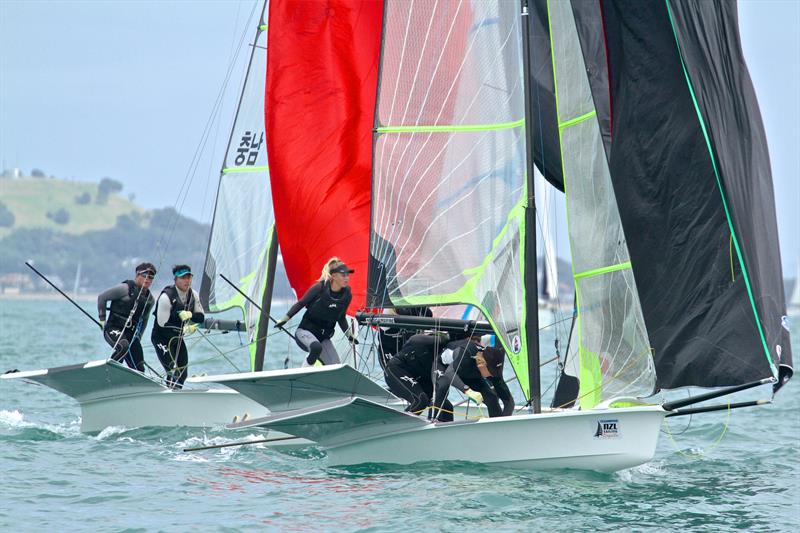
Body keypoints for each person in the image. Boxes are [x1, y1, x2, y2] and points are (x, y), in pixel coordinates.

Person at [274, 257, 358, 367]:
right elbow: (301, 303)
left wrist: (349, 335)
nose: (347, 278)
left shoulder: (346, 295)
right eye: (343, 275)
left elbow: (341, 317)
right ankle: (303, 374)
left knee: (336, 367)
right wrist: (284, 319)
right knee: (316, 347)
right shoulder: (319, 288)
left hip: (323, 338)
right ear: (333, 276)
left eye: (348, 274)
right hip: (304, 332)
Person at [434, 333, 513, 419]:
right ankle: (433, 419)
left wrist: (502, 421)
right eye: (491, 372)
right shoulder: (466, 354)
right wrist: (467, 390)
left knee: (491, 398)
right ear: (481, 364)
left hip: (469, 372)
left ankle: (496, 427)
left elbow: (509, 402)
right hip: (444, 366)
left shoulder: (493, 370)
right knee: (442, 388)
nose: (491, 376)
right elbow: (449, 374)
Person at [151, 264, 205, 389]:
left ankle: (176, 394)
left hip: (178, 338)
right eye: (183, 278)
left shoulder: (193, 295)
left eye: (189, 277)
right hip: (161, 338)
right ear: (176, 280)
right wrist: (178, 316)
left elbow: (201, 317)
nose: (187, 281)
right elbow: (162, 324)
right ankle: (169, 394)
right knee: (172, 370)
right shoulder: (166, 297)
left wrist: (191, 316)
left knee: (183, 373)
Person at [96, 262, 157, 372]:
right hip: (113, 328)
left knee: (139, 367)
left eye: (151, 277)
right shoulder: (125, 289)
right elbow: (102, 298)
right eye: (145, 276)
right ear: (137, 275)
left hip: (131, 335)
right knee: (123, 346)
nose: (148, 279)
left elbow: (144, 321)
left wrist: (139, 337)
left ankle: (134, 386)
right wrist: (102, 319)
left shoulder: (150, 300)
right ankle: (110, 372)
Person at [384, 332, 454, 418]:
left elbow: (442, 387)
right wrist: (445, 338)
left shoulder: (453, 360)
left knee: (446, 406)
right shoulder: (434, 343)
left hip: (419, 377)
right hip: (396, 370)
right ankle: (396, 426)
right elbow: (414, 339)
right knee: (420, 400)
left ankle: (437, 429)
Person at [377, 306, 433, 370]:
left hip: (411, 352)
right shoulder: (388, 314)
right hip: (390, 351)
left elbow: (429, 315)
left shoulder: (417, 310)